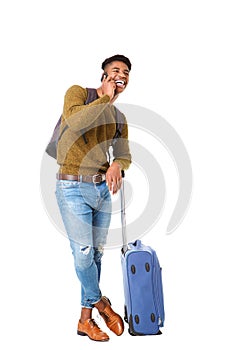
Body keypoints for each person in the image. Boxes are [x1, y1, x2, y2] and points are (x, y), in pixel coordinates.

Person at [55, 54, 132, 342]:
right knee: (83, 254)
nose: (120, 74)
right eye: (115, 70)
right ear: (104, 75)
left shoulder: (119, 118)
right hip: (72, 187)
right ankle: (102, 304)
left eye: (125, 72)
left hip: (102, 191)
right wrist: (105, 99)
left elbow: (124, 155)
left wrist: (118, 165)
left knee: (96, 256)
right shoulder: (78, 94)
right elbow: (75, 121)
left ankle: (85, 320)